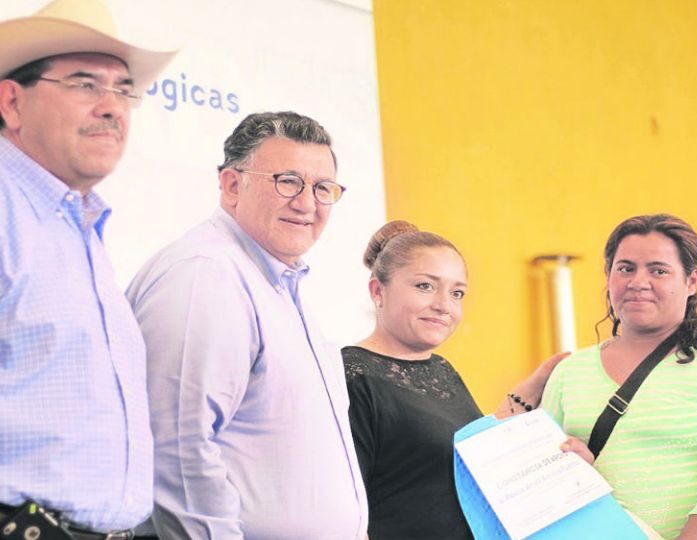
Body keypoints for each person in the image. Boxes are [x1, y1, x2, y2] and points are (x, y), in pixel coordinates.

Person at [126, 111, 367, 539]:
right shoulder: (205, 274)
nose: (307, 203)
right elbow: (177, 448)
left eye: (322, 188)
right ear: (232, 185)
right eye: (288, 181)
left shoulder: (277, 283)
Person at [0, 0, 175, 535]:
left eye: (123, 90)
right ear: (11, 102)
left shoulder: (76, 224)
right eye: (84, 84)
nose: (112, 108)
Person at [345, 220, 567, 540]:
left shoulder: (440, 369)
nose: (443, 305)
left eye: (457, 293)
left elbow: (469, 451)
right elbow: (343, 513)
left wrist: (536, 385)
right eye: (425, 286)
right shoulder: (352, 377)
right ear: (378, 290)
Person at [541, 214, 697, 539]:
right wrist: (573, 468)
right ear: (608, 275)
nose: (638, 282)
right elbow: (544, 473)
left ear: (692, 281)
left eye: (658, 270)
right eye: (625, 268)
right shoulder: (569, 372)